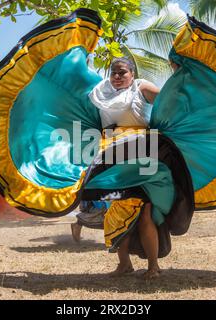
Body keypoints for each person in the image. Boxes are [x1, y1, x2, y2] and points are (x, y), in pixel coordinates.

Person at [88, 57, 161, 278]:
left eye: (122, 72)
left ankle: (153, 267)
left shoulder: (142, 87)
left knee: (144, 211)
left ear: (132, 72)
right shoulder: (102, 92)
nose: (117, 76)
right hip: (112, 158)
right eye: (114, 73)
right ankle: (124, 264)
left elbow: (169, 102)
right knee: (115, 211)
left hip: (140, 155)